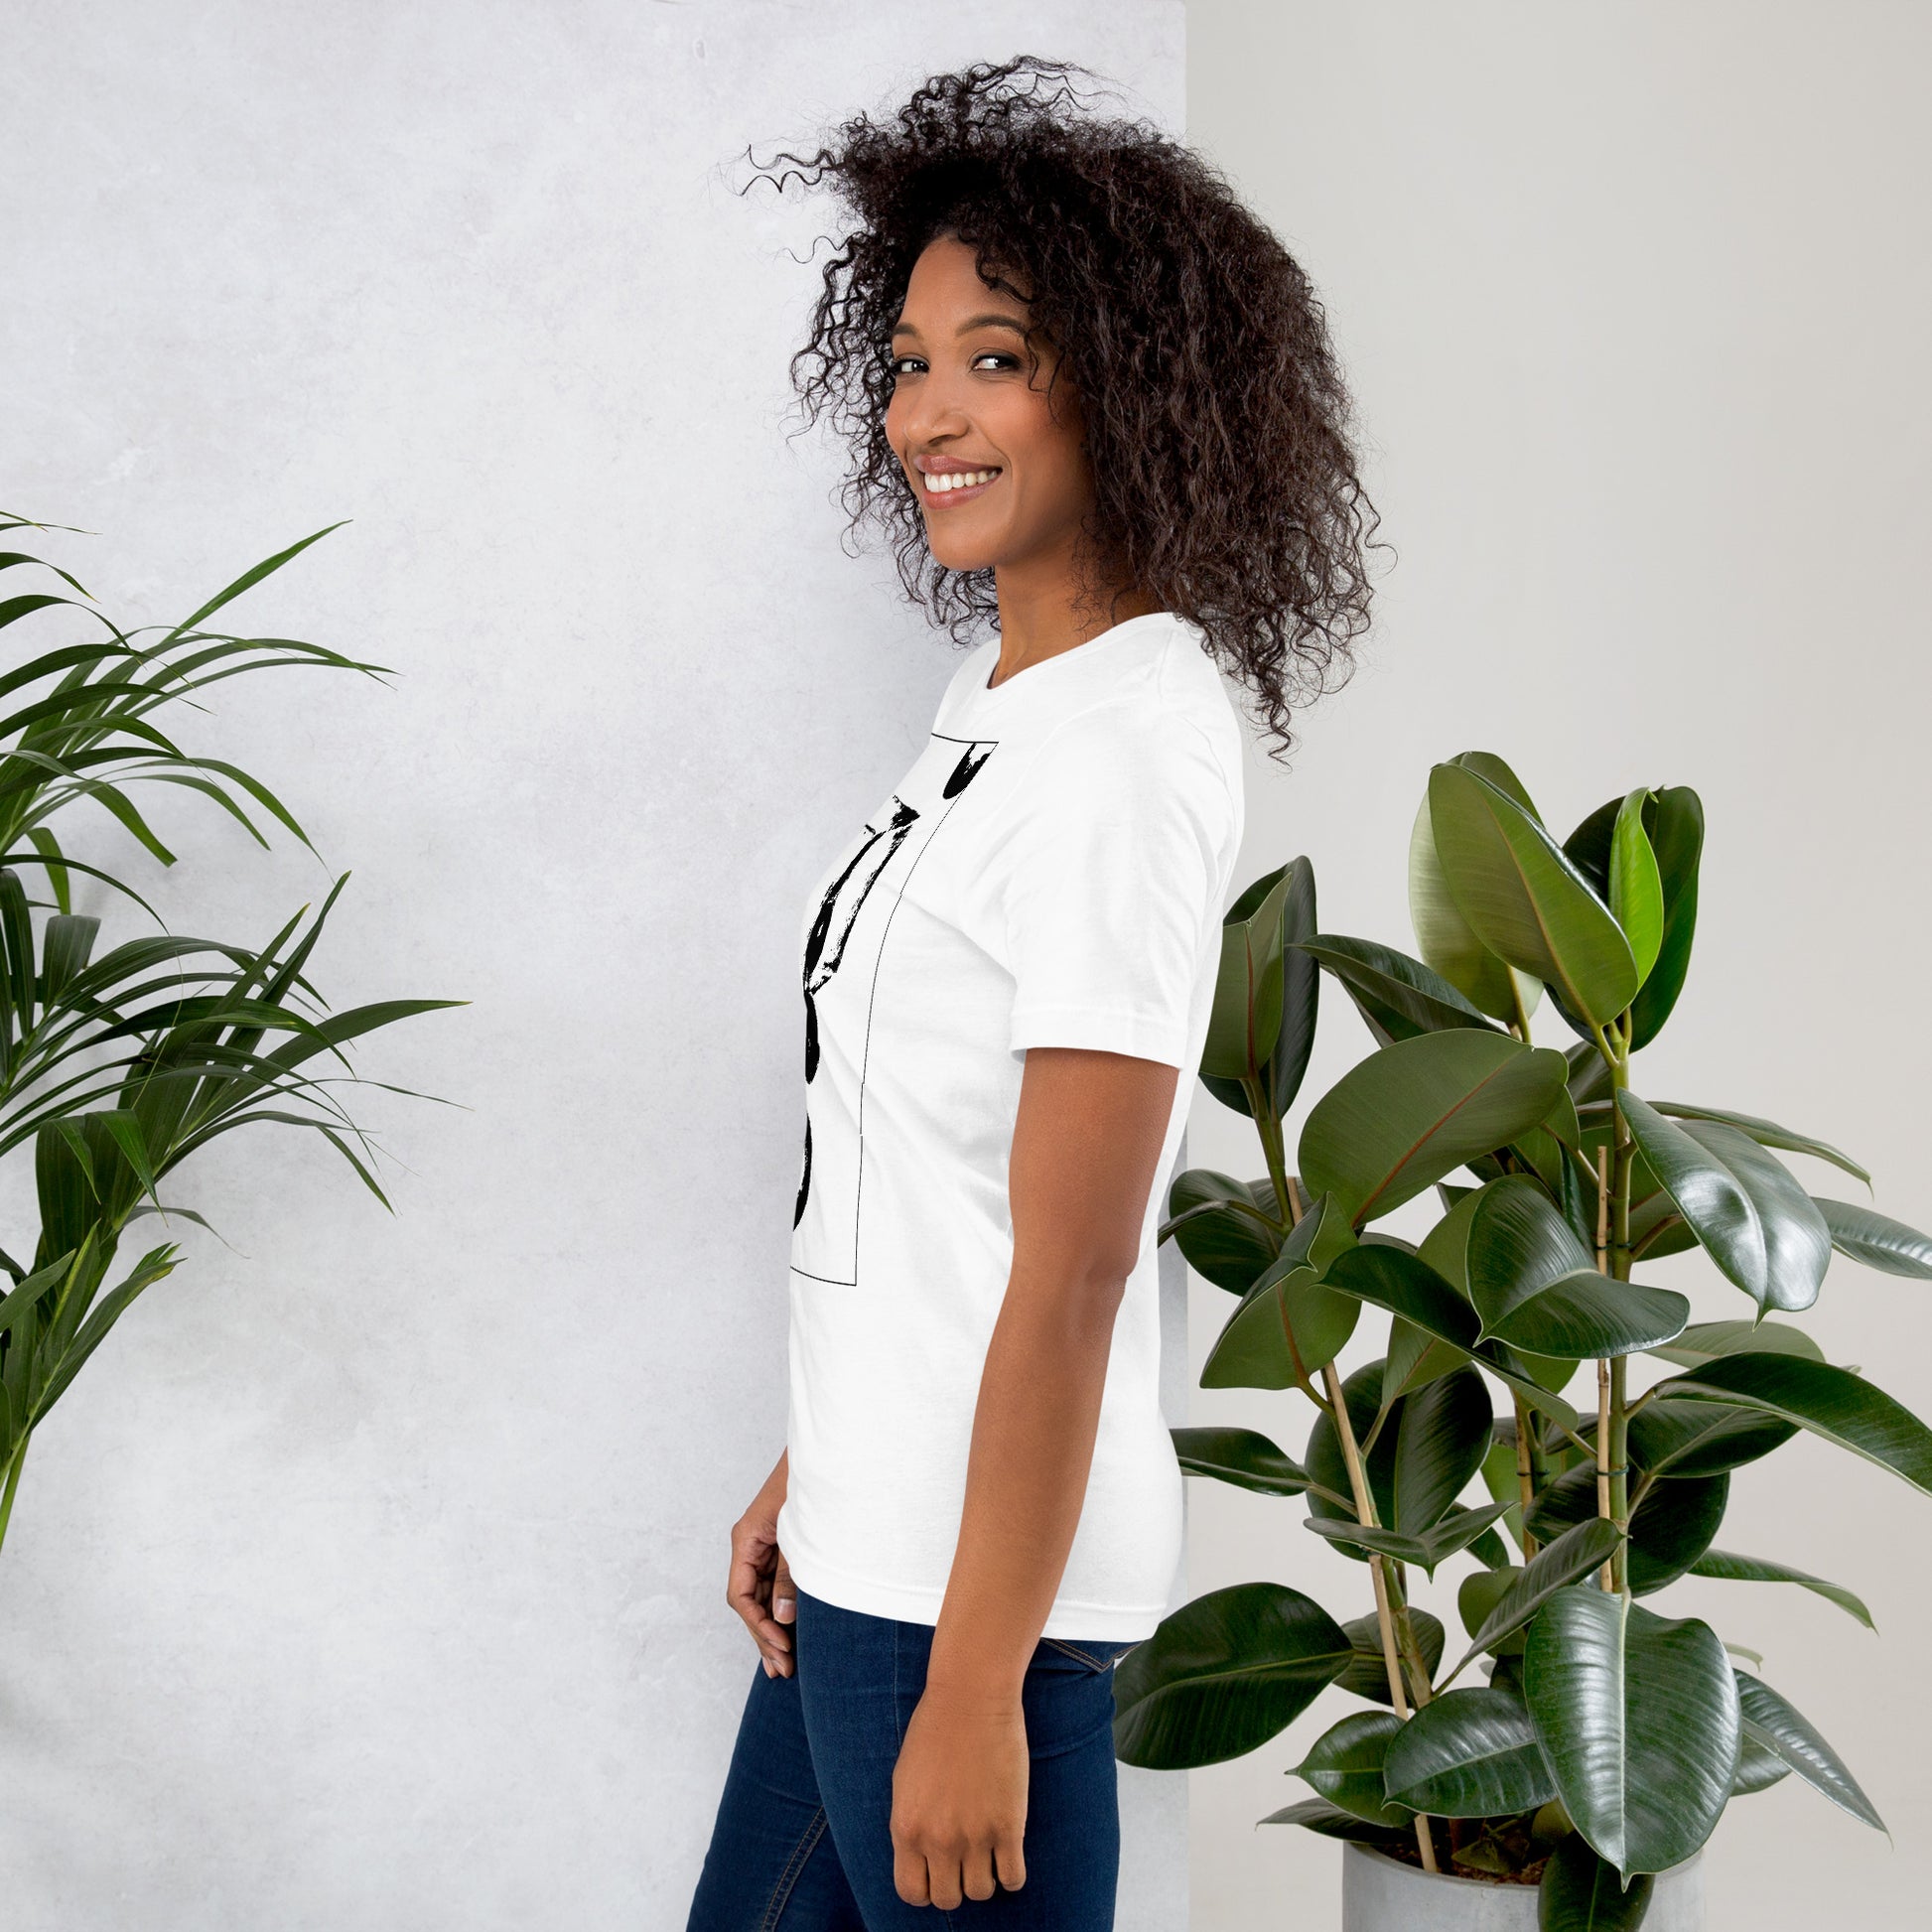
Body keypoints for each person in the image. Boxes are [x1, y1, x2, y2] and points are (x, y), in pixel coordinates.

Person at [687, 56, 1376, 1931]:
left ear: (1136, 386)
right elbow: (919, 1170)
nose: (930, 413)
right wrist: (815, 1466)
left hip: (971, 1613)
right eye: (908, 362)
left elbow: (1074, 1262)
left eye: (995, 357)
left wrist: (978, 1684)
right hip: (868, 1556)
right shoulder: (1003, 704)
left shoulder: (1129, 748)